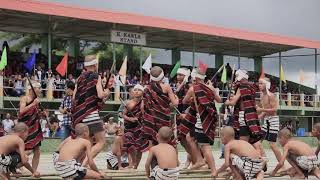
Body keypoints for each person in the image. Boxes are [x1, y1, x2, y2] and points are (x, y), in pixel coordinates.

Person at [72, 54, 113, 166]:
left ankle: (79, 164)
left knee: (88, 142)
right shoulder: (96, 76)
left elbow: (74, 97)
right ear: (95, 65)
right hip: (91, 114)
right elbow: (100, 95)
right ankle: (84, 165)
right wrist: (107, 92)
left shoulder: (79, 78)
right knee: (101, 142)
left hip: (80, 115)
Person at [180, 67, 221, 176]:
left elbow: (184, 101)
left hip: (202, 120)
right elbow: (219, 100)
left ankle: (213, 171)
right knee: (190, 138)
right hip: (209, 120)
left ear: (195, 77)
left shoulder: (193, 89)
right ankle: (199, 160)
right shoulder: (210, 88)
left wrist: (192, 98)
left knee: (205, 147)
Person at [224, 69, 263, 155]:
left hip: (244, 116)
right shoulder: (251, 87)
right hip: (251, 116)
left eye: (237, 76)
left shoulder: (241, 87)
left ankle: (256, 160)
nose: (236, 78)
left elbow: (233, 102)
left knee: (243, 143)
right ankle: (262, 158)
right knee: (254, 142)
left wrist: (227, 102)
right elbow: (241, 100)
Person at [142, 66, 179, 145]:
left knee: (152, 140)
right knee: (168, 141)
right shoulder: (166, 87)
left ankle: (153, 156)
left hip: (151, 119)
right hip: (164, 118)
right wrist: (177, 99)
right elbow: (175, 104)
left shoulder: (147, 88)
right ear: (162, 76)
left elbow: (143, 106)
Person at [18, 81, 45, 172]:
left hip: (35, 127)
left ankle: (34, 171)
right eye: (38, 88)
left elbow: (35, 114)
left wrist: (42, 114)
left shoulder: (36, 100)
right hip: (25, 128)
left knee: (37, 151)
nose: (40, 90)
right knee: (26, 150)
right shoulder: (25, 98)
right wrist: (33, 104)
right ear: (32, 89)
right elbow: (21, 111)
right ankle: (16, 165)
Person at [123, 84, 149, 169]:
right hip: (129, 127)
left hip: (140, 127)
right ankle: (131, 164)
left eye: (139, 90)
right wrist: (130, 119)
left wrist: (142, 101)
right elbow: (122, 115)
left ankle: (135, 166)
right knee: (130, 145)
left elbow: (144, 112)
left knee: (139, 148)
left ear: (142, 93)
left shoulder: (144, 102)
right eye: (135, 90)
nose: (137, 91)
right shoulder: (128, 103)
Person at [257, 77, 282, 163]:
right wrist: (259, 117)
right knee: (258, 142)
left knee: (272, 145)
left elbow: (274, 110)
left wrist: (261, 110)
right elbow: (265, 109)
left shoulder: (271, 95)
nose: (259, 85)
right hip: (267, 121)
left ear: (267, 85)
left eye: (261, 83)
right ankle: (264, 159)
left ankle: (282, 164)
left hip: (273, 121)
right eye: (259, 83)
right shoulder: (262, 96)